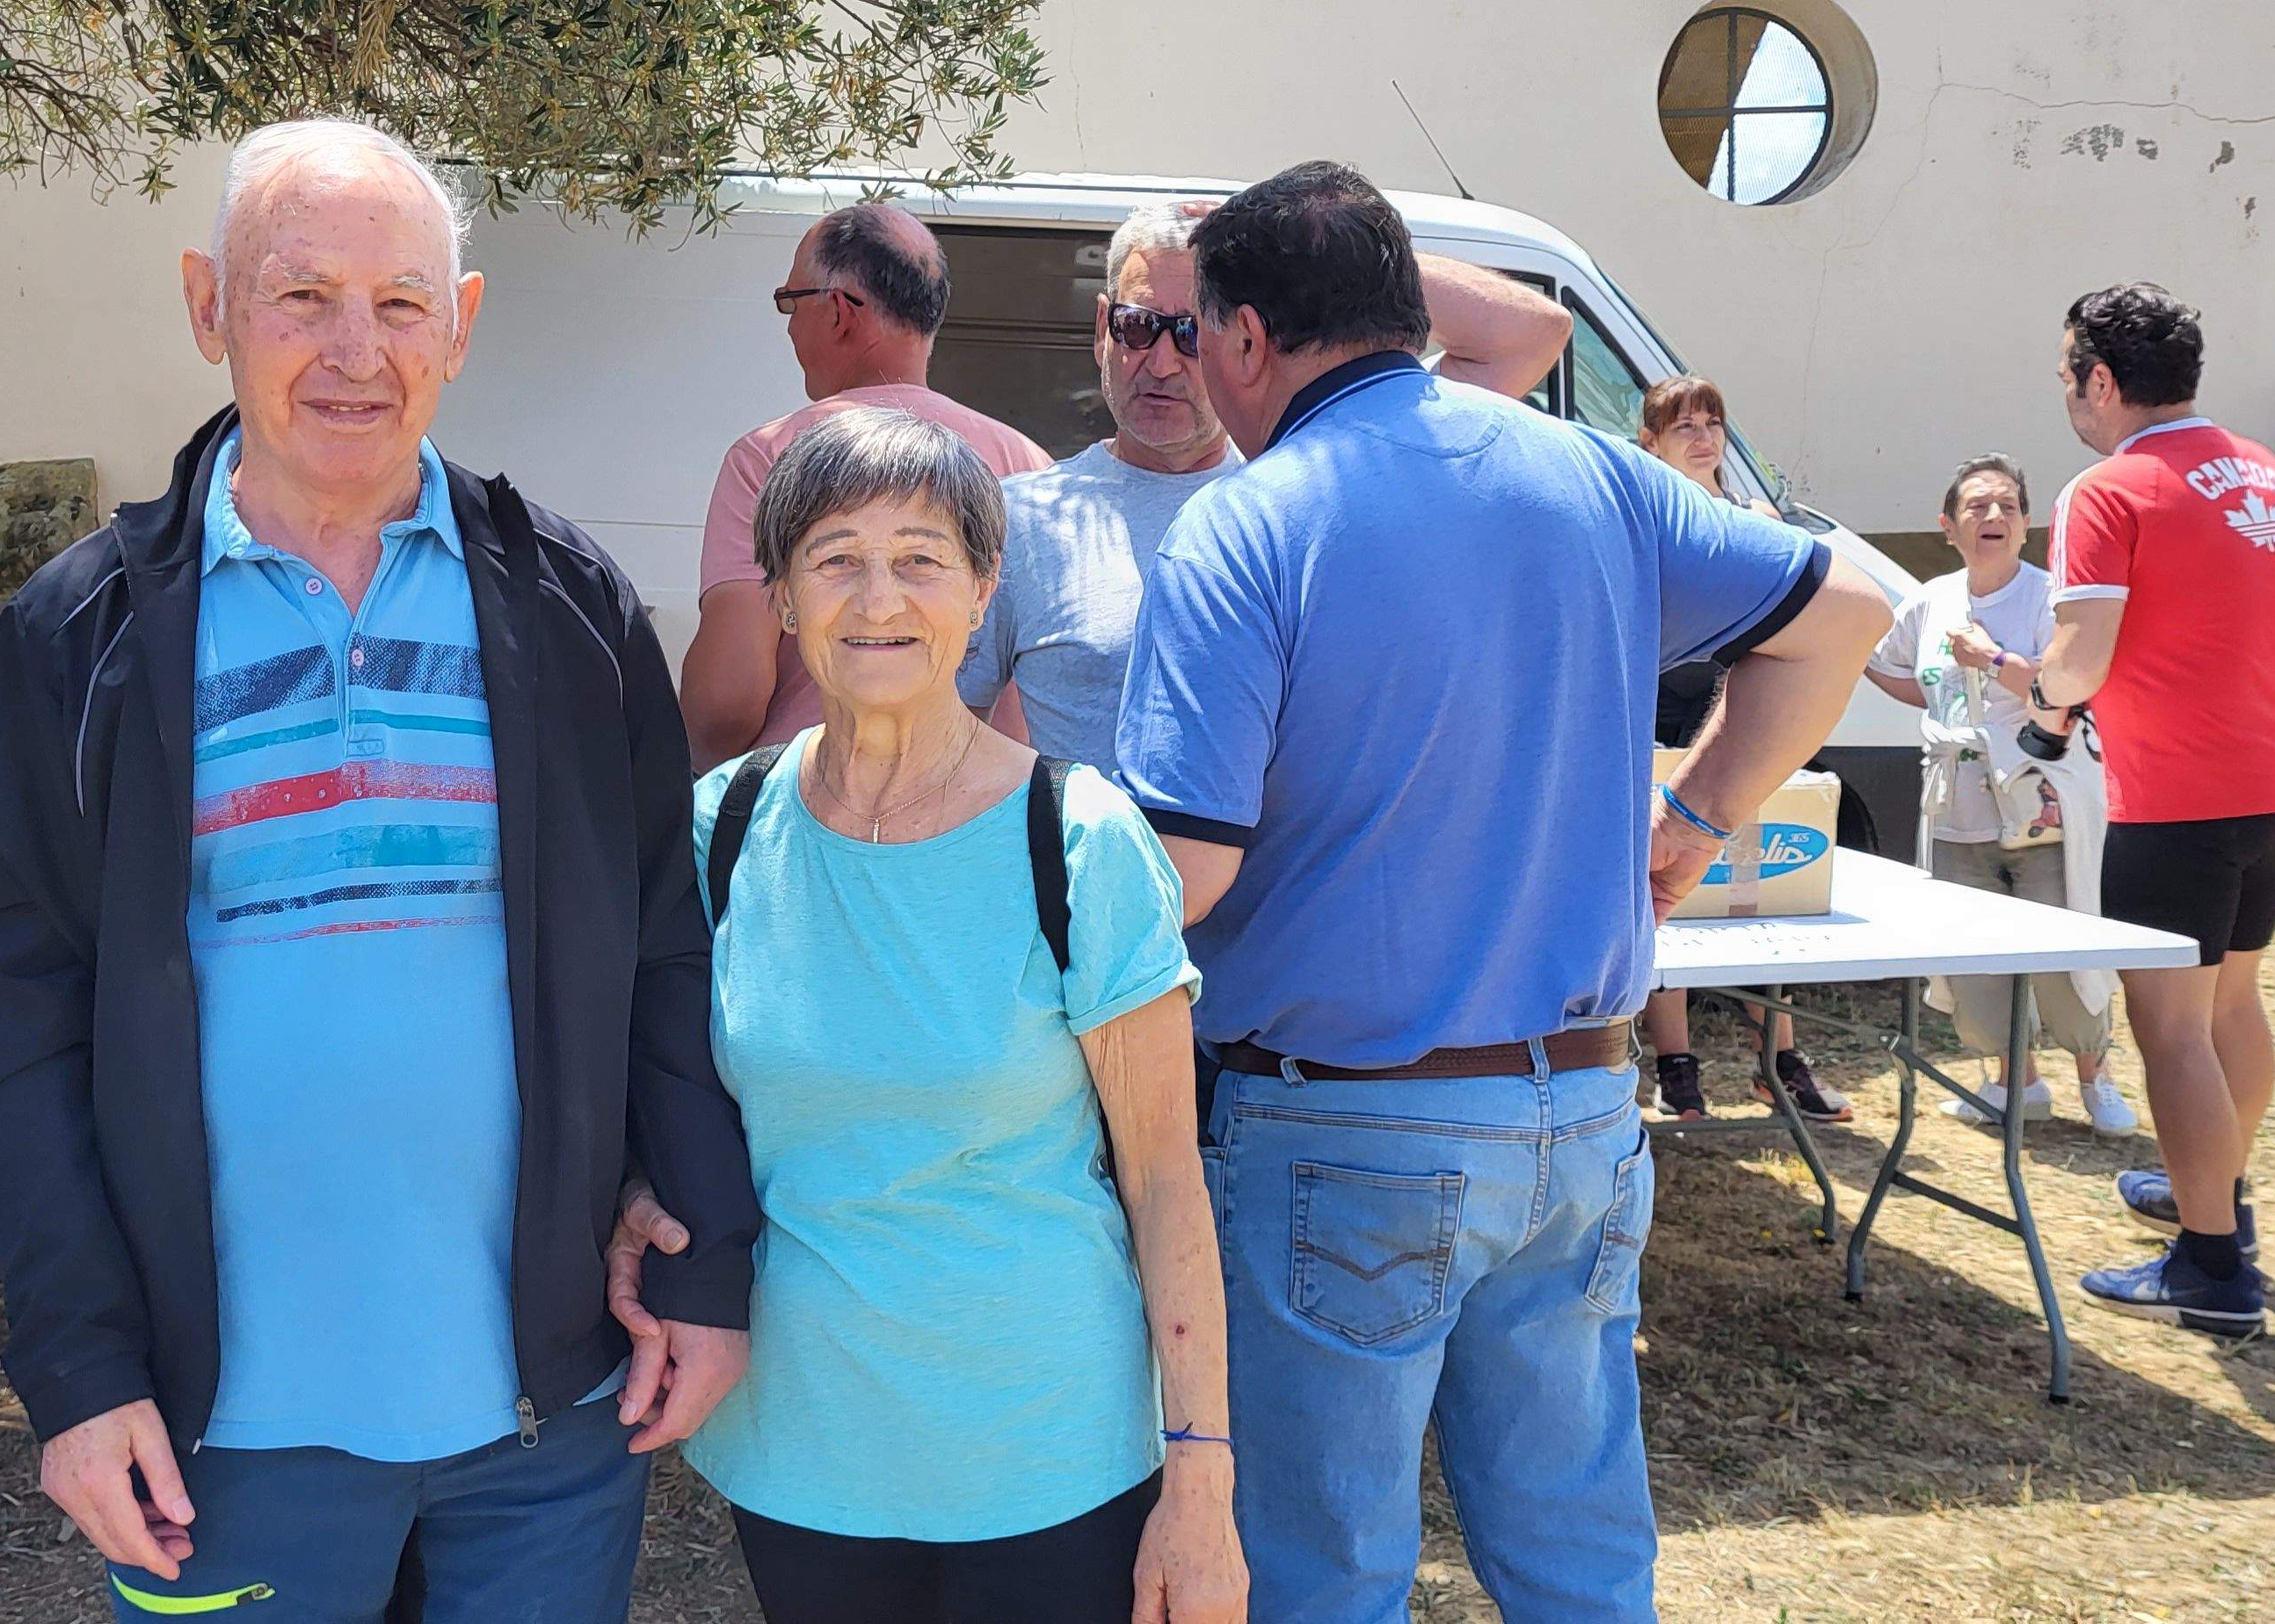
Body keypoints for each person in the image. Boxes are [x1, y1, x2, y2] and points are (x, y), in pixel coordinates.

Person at [0, 120, 760, 1624]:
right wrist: (76, 1364)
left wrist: (704, 1256)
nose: (352, 351)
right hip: (214, 1429)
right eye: (299, 296)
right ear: (209, 307)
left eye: (397, 302)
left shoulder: (573, 610)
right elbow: (17, 1020)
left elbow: (663, 948)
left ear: (463, 322)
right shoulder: (81, 639)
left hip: (548, 1412)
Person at [1113, 163, 1886, 1620]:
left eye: (1200, 331)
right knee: (1578, 1556)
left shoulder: (1249, 521)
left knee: (1320, 1571)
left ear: (1251, 339)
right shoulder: (1587, 468)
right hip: (1582, 1112)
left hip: (1339, 1118)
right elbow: (1846, 609)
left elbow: (1186, 864)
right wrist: (1700, 811)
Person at [611, 408, 1241, 1621]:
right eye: (835, 556)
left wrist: (1201, 1479)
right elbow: (666, 1095)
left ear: (981, 588)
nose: (878, 595)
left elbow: (1167, 1181)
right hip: (802, 1446)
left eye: (921, 556)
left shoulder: (1081, 840)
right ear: (784, 597)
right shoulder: (717, 834)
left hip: (1051, 1452)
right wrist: (641, 1196)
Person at [960, 199, 1573, 772]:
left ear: (1246, 343)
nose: (1163, 363)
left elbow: (1528, 334)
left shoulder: (1319, 480)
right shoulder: (1025, 520)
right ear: (1104, 327)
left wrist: (1315, 252)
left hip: (1287, 886)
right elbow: (945, 741)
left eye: (1194, 333)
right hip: (1093, 885)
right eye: (1140, 327)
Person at [2034, 282, 2275, 1339]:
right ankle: (2215, 1191)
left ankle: (2210, 1268)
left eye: (2069, 373)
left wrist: (2037, 691)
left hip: (2177, 796)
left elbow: (2079, 664)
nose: (2068, 391)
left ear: (2101, 380)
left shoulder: (2105, 491)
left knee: (2169, 1031)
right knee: (2231, 1007)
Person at [680, 203, 1052, 765]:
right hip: (983, 820)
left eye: (790, 302)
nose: (788, 324)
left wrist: (710, 790)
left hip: (808, 814)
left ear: (838, 312)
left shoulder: (769, 460)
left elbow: (727, 702)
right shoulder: (1028, 463)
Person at [1864, 454, 2137, 1135]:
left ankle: (2094, 1076)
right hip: (1956, 805)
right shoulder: (1929, 601)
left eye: (2008, 507)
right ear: (1948, 526)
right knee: (1973, 949)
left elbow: (2064, 686)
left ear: (2025, 526)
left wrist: (1989, 659)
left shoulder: (2051, 599)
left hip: (2039, 800)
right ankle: (2015, 1083)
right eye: (1978, 507)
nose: (1994, 517)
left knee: (2063, 941)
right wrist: (1934, 699)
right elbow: (1896, 667)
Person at [1633, 374, 1845, 1124]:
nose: (1702, 436)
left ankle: (1780, 1060)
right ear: (1648, 442)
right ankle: (1676, 1065)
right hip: (1656, 716)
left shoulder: (1754, 519)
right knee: (1667, 894)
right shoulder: (1642, 524)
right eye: (1682, 424)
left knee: (1757, 898)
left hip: (1738, 719)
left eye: (1713, 422)